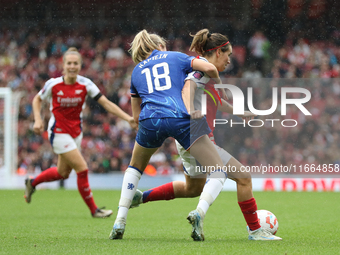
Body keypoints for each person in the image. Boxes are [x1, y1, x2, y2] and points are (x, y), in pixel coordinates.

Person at [130, 29, 282, 241]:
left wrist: (242, 113)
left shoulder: (207, 74)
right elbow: (189, 86)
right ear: (218, 52)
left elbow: (217, 101)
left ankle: (141, 197)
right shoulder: (200, 71)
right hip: (195, 136)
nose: (229, 61)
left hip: (191, 138)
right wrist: (189, 109)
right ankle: (254, 230)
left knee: (193, 187)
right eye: (228, 55)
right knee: (243, 177)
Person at [109, 29, 226, 239]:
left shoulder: (136, 71)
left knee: (135, 167)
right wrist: (218, 84)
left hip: (150, 119)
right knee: (218, 171)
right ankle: (199, 212)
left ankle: (120, 221)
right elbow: (209, 67)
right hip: (181, 117)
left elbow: (136, 117)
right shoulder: (175, 56)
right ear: (160, 46)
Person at [24, 47, 137, 218]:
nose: (72, 66)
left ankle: (32, 183)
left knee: (62, 173)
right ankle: (94, 210)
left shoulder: (85, 84)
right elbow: (37, 99)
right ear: (63, 65)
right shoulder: (53, 84)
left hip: (76, 132)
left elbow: (106, 103)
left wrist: (127, 118)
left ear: (80, 65)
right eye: (69, 63)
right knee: (82, 169)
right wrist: (38, 120)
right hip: (58, 132)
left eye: (75, 63)